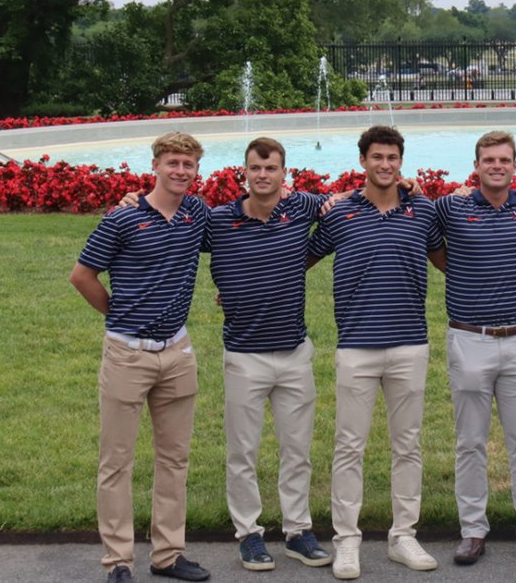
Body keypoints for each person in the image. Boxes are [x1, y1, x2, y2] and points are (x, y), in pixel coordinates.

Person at [70, 131, 211, 583]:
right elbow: (82, 275)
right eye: (173, 162)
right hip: (127, 355)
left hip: (177, 352)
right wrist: (118, 315)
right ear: (155, 165)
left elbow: (245, 221)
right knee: (117, 462)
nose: (180, 171)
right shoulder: (123, 218)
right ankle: (118, 562)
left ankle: (168, 555)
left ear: (196, 170)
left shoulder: (196, 214)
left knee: (174, 460)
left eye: (188, 164)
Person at [308, 126, 444, 579]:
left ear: (401, 162)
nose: (385, 165)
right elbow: (297, 256)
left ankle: (403, 536)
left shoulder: (422, 210)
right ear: (363, 161)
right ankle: (347, 540)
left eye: (392, 158)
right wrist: (244, 289)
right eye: (377, 157)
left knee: (408, 446)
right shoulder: (339, 213)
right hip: (356, 347)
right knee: (350, 446)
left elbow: (453, 257)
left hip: (409, 344)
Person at [203, 138, 332, 573]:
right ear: (244, 173)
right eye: (256, 168)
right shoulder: (217, 221)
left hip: (295, 351)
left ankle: (298, 531)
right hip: (244, 355)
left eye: (271, 168)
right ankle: (250, 534)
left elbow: (346, 200)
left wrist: (405, 183)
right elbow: (174, 226)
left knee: (297, 450)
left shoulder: (301, 209)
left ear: (284, 174)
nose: (263, 175)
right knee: (244, 451)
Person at [432, 130, 516, 565]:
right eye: (489, 160)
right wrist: (466, 271)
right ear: (477, 164)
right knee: (470, 442)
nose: (497, 166)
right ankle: (472, 530)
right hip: (469, 340)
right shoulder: (451, 206)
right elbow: (428, 239)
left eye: (504, 160)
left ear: (515, 165)